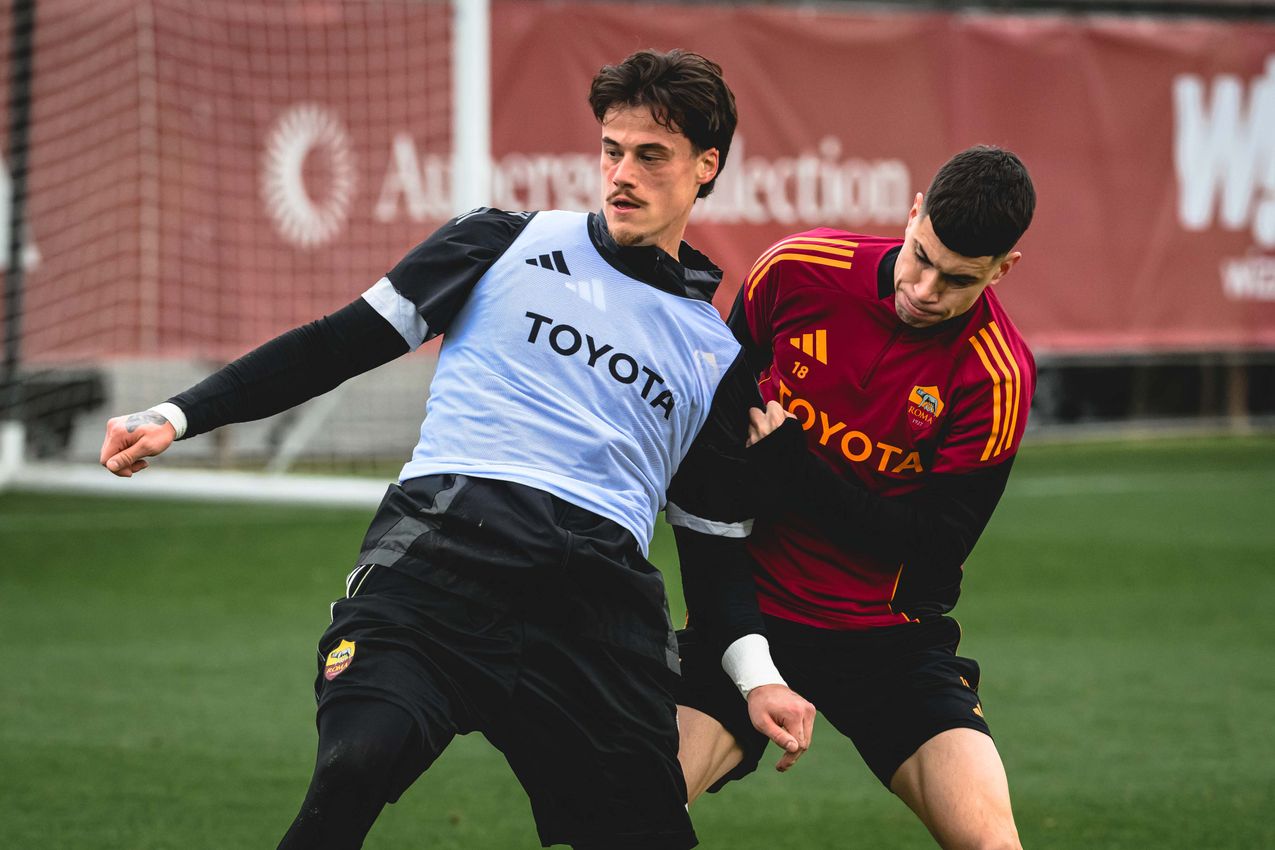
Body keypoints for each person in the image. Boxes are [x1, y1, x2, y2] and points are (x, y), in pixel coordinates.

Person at [99, 49, 814, 850]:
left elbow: (714, 558)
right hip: (445, 554)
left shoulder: (715, 358)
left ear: (705, 165)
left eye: (652, 156)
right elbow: (336, 344)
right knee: (354, 763)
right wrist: (179, 414)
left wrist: (759, 680)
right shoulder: (501, 241)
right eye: (612, 151)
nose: (622, 175)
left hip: (595, 602)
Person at [675, 145, 1036, 850]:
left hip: (888, 639)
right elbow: (717, 435)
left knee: (992, 844)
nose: (925, 289)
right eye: (922, 257)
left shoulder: (996, 376)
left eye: (958, 280)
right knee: (633, 814)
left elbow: (933, 547)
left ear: (1002, 270)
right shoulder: (795, 270)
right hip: (751, 615)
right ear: (913, 215)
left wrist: (794, 469)